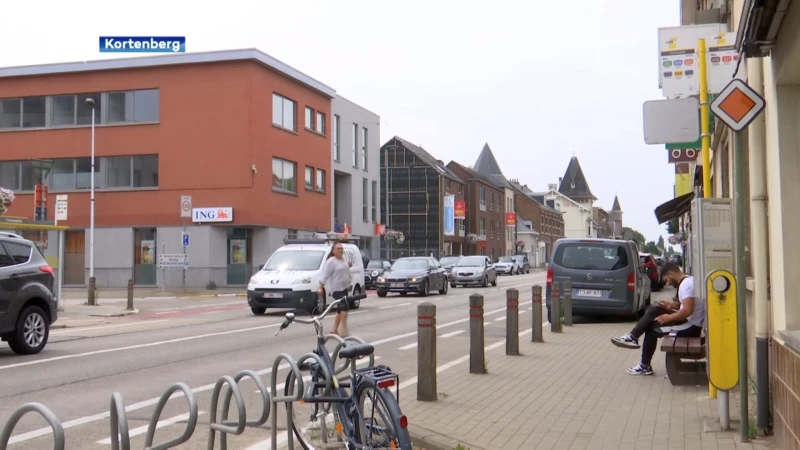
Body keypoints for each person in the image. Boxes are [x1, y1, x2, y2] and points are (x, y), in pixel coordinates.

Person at [610, 263, 705, 376]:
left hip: (691, 327)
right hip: (689, 322)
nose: (667, 283)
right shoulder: (689, 280)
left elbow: (687, 311)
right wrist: (671, 306)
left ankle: (644, 365)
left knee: (652, 330)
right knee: (655, 309)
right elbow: (687, 306)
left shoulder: (686, 285)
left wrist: (669, 317)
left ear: (671, 274)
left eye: (666, 280)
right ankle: (633, 337)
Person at [318, 241, 353, 337]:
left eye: (341, 248)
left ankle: (334, 329)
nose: (341, 250)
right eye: (338, 249)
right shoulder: (331, 261)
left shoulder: (343, 259)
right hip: (336, 289)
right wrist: (320, 287)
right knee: (344, 308)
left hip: (345, 287)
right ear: (333, 251)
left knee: (340, 309)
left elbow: (345, 270)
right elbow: (325, 275)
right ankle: (344, 329)